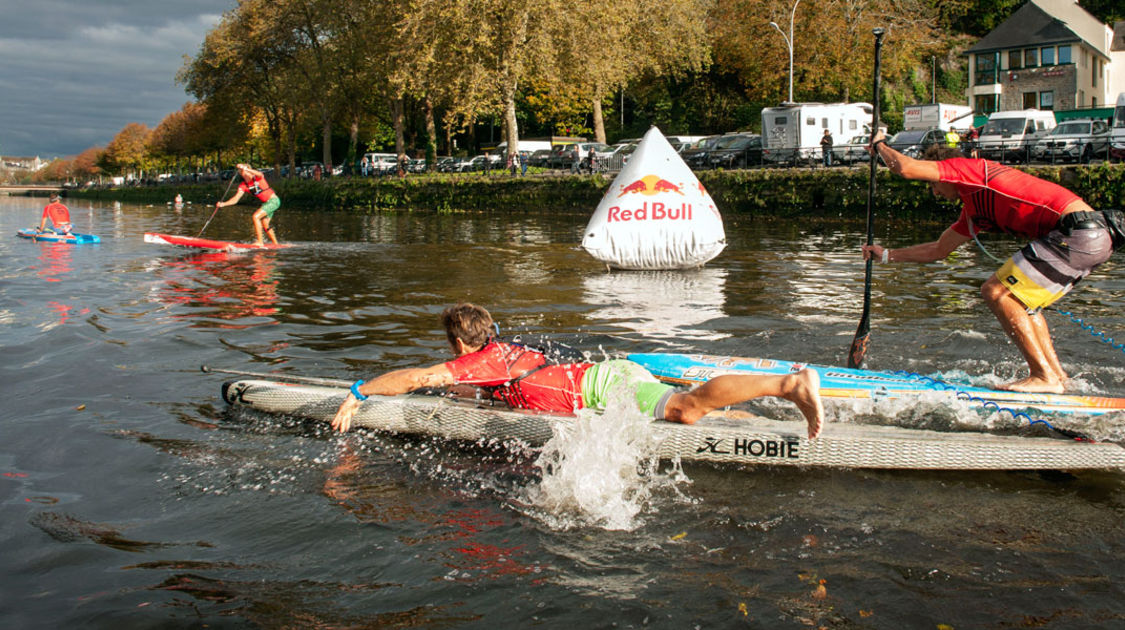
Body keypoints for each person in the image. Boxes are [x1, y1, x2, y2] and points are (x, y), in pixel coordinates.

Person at [861, 131, 1117, 393]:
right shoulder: (974, 211)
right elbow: (939, 249)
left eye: (934, 184)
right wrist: (888, 255)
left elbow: (905, 168)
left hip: (1080, 232)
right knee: (1025, 305)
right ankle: (1056, 376)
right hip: (1091, 239)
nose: (935, 191)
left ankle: (1043, 376)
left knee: (995, 291)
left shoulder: (970, 170)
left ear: (944, 172)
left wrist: (880, 145)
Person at [331, 303, 825, 438]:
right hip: (609, 378)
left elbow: (417, 378)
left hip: (608, 390)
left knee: (684, 409)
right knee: (695, 411)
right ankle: (749, 421)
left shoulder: (477, 361)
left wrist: (360, 392)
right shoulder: (500, 351)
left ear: (459, 343)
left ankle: (790, 384)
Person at [215, 163, 281, 246]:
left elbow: (260, 174)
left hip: (273, 201)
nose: (245, 173)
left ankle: (260, 242)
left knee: (255, 216)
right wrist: (223, 204)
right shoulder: (243, 185)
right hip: (266, 203)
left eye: (246, 171)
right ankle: (276, 244)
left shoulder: (257, 178)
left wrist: (246, 168)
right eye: (242, 171)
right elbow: (235, 199)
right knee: (265, 224)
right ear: (241, 173)